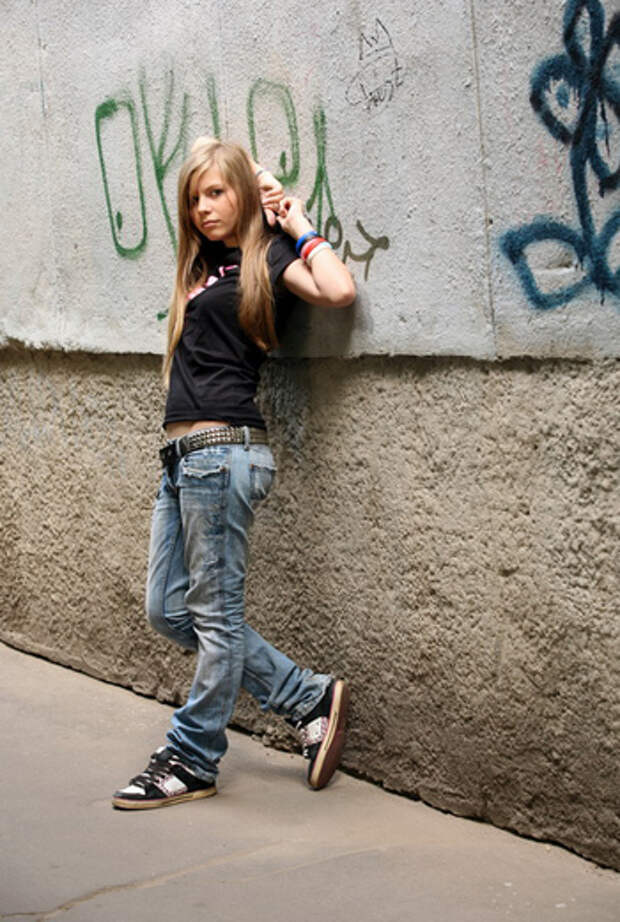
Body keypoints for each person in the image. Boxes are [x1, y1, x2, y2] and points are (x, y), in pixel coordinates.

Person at [112, 136, 356, 809]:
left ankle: (192, 757)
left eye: (216, 193)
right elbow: (204, 155)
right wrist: (237, 182)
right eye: (195, 198)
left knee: (216, 620)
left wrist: (292, 218)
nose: (203, 207)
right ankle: (306, 696)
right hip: (182, 460)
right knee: (169, 610)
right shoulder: (203, 266)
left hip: (224, 454)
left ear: (241, 195)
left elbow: (338, 289)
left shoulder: (267, 257)